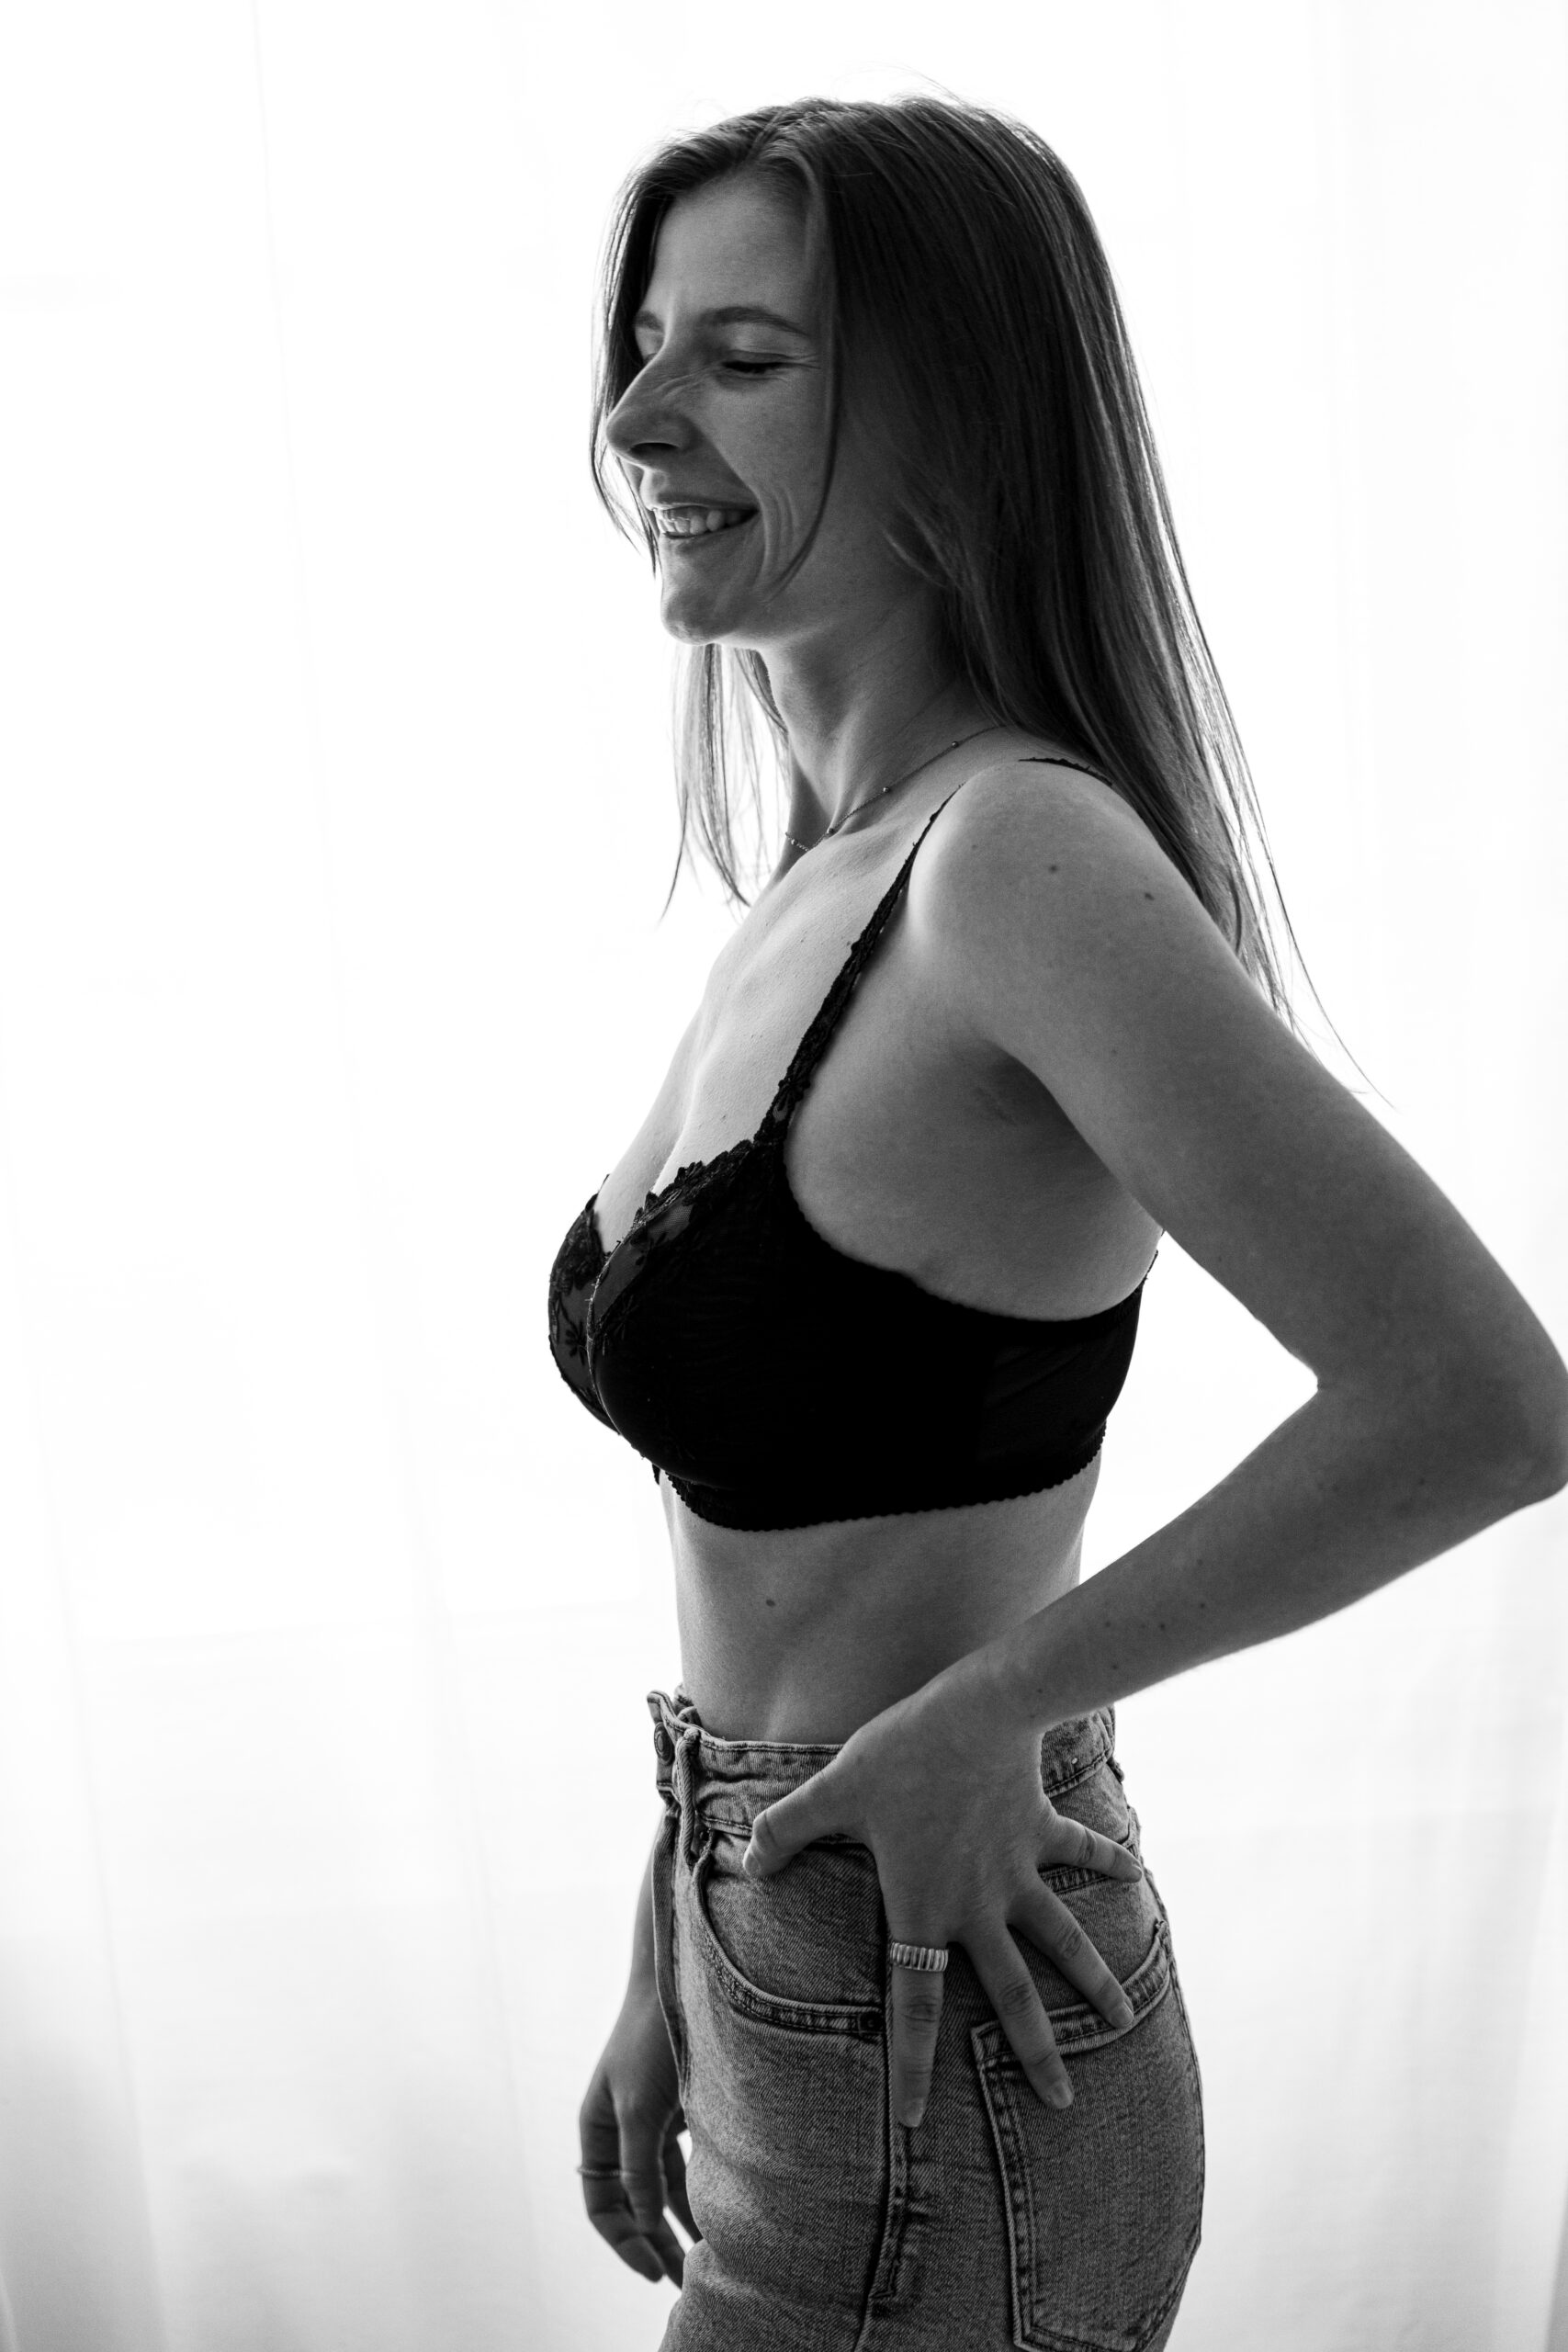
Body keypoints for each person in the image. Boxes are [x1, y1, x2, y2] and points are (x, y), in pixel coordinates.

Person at [547, 94, 1568, 2350]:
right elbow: (779, 1533)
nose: (634, 419)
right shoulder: (816, 880)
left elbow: (1481, 1401)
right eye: (642, 347)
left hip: (943, 2055)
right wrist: (678, 1919)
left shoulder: (1009, 861)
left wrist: (993, 1705)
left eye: (741, 356)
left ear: (957, 423)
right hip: (792, 1967)